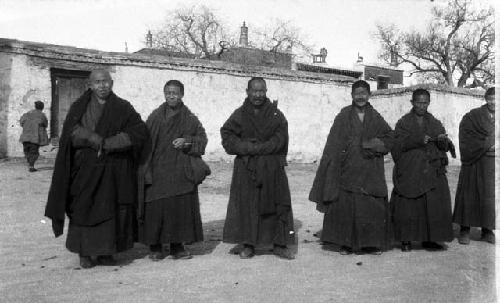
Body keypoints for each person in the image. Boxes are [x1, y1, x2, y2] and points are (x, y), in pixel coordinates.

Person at [44, 69, 148, 268]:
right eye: (98, 82)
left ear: (112, 83)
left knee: (111, 209)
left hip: (113, 169)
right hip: (86, 168)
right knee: (84, 207)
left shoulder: (122, 107)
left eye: (106, 82)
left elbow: (139, 131)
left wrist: (110, 143)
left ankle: (106, 253)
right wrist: (92, 138)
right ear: (90, 85)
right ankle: (84, 253)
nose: (102, 86)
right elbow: (70, 134)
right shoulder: (79, 107)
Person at [309, 80, 393, 255]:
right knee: (346, 208)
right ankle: (345, 244)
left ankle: (370, 244)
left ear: (369, 95)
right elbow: (332, 143)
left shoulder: (376, 117)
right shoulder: (344, 115)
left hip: (370, 172)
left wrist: (376, 144)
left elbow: (390, 138)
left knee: (369, 208)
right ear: (352, 95)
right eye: (357, 93)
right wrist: (332, 165)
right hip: (347, 169)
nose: (360, 96)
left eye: (364, 93)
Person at [221, 77, 295, 260]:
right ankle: (248, 244)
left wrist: (259, 149)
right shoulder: (239, 114)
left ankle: (278, 245)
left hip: (272, 167)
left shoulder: (276, 115)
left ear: (266, 91)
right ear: (247, 92)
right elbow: (227, 136)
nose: (258, 95)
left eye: (261, 91)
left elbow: (281, 139)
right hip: (247, 169)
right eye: (254, 91)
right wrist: (247, 148)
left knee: (277, 204)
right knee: (248, 206)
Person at [137, 80, 208, 260]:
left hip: (179, 169)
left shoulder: (189, 118)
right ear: (164, 94)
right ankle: (155, 247)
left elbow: (202, 139)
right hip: (157, 168)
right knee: (155, 207)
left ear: (182, 94)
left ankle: (177, 246)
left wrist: (186, 141)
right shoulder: (155, 116)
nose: (171, 96)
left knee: (179, 208)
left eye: (175, 93)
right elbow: (144, 139)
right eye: (168, 92)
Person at [390, 88, 454, 252]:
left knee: (433, 204)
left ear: (429, 103)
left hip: (431, 168)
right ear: (412, 102)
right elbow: (396, 145)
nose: (422, 106)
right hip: (411, 168)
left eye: (425, 102)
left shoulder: (434, 122)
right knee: (408, 205)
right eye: (418, 102)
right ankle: (406, 239)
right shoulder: (404, 122)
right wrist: (417, 140)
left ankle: (430, 238)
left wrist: (442, 141)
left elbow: (444, 143)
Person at [453, 87, 496, 245]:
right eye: (490, 98)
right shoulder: (473, 116)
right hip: (474, 160)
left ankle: (487, 229)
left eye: (496, 98)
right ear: (485, 98)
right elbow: (465, 136)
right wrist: (486, 145)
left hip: (493, 163)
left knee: (490, 197)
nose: (493, 101)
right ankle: (464, 229)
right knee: (469, 193)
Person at [19, 100, 49, 172]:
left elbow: (21, 122)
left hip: (25, 137)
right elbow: (46, 124)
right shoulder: (42, 115)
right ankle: (31, 166)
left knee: (27, 151)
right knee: (34, 152)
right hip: (35, 137)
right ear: (42, 107)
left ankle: (30, 163)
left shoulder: (27, 113)